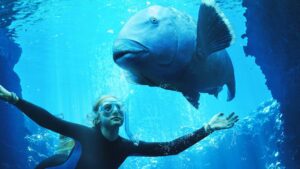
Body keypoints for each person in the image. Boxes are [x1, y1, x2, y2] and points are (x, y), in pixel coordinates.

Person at [0, 85, 238, 169]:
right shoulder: (85, 134)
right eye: (107, 108)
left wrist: (206, 128)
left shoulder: (126, 146)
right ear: (98, 118)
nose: (115, 111)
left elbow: (169, 148)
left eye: (119, 107)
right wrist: (13, 98)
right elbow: (49, 121)